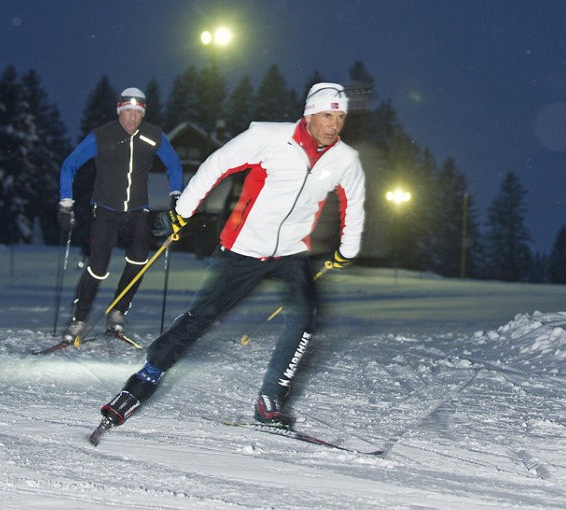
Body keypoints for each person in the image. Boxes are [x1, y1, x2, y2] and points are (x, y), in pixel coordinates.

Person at [97, 81, 366, 431]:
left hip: (291, 253)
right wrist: (184, 212)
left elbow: (354, 204)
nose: (335, 124)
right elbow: (217, 164)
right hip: (243, 249)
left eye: (341, 117)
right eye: (328, 115)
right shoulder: (269, 138)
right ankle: (141, 383)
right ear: (310, 114)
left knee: (305, 321)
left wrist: (348, 250)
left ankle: (271, 400)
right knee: (200, 319)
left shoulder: (345, 159)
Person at [57, 86, 184, 341]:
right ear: (119, 111)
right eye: (128, 112)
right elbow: (69, 165)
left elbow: (174, 164)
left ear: (143, 114)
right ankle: (79, 319)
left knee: (138, 262)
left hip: (138, 210)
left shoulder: (153, 135)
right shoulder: (101, 136)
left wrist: (176, 195)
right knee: (97, 268)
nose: (132, 119)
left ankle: (118, 312)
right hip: (105, 210)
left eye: (137, 113)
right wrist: (65, 204)